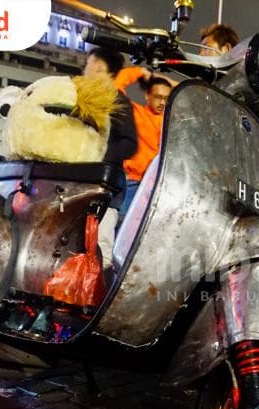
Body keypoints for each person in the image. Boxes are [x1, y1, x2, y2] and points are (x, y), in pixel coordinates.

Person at [83, 47, 138, 269]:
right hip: (78, 185)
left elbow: (129, 143)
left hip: (106, 189)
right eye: (89, 66)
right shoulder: (79, 99)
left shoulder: (117, 101)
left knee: (101, 246)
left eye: (98, 69)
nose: (90, 72)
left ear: (110, 76)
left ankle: (98, 295)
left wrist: (98, 154)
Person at [113, 66, 176, 214]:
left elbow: (192, 93)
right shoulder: (135, 112)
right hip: (133, 184)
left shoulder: (172, 120)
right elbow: (116, 87)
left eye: (166, 99)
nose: (162, 102)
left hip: (160, 187)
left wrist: (165, 79)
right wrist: (140, 71)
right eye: (158, 97)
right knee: (122, 228)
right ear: (147, 96)